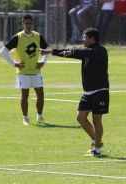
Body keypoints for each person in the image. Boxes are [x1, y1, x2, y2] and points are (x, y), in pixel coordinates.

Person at [41, 28, 109, 157]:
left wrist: (72, 52)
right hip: (88, 92)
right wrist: (50, 52)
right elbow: (74, 53)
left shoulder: (100, 51)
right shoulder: (86, 51)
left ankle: (97, 149)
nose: (82, 39)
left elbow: (81, 53)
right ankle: (97, 141)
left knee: (96, 120)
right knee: (80, 117)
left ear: (92, 39)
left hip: (100, 91)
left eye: (84, 37)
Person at [1, 13, 50, 126]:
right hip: (23, 72)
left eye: (30, 23)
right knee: (25, 96)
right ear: (23, 24)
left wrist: (43, 62)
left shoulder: (37, 36)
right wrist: (14, 64)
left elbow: (47, 49)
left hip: (36, 71)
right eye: (26, 23)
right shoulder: (18, 37)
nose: (28, 25)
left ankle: (39, 117)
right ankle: (25, 118)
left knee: (41, 95)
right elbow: (3, 51)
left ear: (33, 24)